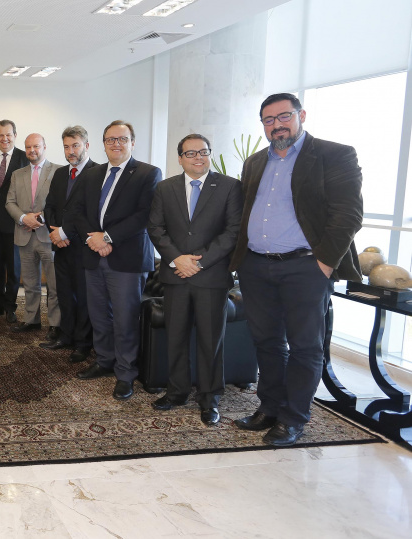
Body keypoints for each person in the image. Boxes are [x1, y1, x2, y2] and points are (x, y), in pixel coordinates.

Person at [230, 92, 363, 446]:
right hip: (256, 266)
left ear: (301, 115)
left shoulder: (334, 155)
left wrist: (323, 264)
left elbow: (348, 214)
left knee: (305, 346)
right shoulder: (255, 162)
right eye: (268, 120)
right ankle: (270, 408)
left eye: (284, 116)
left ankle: (293, 419)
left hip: (306, 267)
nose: (277, 125)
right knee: (266, 341)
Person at [147, 134, 243, 425]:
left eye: (203, 152)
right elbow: (155, 227)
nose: (197, 157)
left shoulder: (229, 186)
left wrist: (199, 261)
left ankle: (209, 398)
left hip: (211, 276)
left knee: (210, 341)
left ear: (210, 154)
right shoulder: (165, 188)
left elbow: (233, 231)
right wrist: (177, 259)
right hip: (176, 275)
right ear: (180, 158)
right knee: (175, 337)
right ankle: (176, 392)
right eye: (190, 153)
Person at [66, 120, 161, 401]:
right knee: (99, 315)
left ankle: (126, 373)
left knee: (125, 318)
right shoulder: (92, 174)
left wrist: (107, 238)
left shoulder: (148, 173)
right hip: (93, 255)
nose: (116, 144)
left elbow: (144, 215)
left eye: (122, 139)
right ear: (103, 143)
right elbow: (76, 210)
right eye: (110, 139)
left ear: (132, 142)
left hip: (127, 259)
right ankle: (105, 360)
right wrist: (93, 239)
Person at [42, 126, 98, 361]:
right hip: (61, 245)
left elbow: (90, 212)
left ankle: (83, 343)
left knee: (83, 296)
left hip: (84, 246)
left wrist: (66, 233)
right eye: (66, 146)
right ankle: (66, 335)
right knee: (64, 292)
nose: (71, 151)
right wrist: (55, 232)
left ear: (86, 145)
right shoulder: (60, 174)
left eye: (75, 145)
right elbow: (50, 207)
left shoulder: (97, 173)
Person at [5, 133, 60, 336]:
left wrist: (40, 218)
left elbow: (61, 203)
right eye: (28, 147)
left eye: (36, 146)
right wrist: (23, 218)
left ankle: (55, 324)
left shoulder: (58, 171)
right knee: (29, 283)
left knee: (54, 285)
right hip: (24, 235)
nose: (32, 150)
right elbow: (10, 202)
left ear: (44, 147)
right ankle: (31, 320)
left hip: (49, 236)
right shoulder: (17, 174)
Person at [0, 120, 28, 324]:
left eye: (8, 134)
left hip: (15, 223)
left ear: (15, 135)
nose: (5, 138)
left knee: (14, 268)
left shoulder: (25, 158)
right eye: (1, 135)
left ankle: (11, 306)